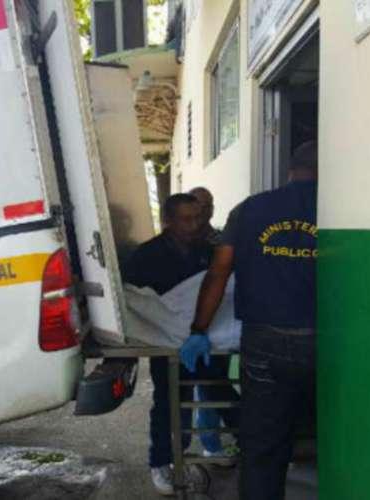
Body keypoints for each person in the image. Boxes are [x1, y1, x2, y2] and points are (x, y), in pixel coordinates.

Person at [181, 141, 318, 500]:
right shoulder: (341, 209)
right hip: (328, 341)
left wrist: (199, 330)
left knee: (263, 445)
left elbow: (219, 271)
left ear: (290, 170)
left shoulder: (249, 209)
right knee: (333, 432)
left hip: (264, 341)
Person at [123, 193, 239, 496]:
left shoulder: (210, 251)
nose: (194, 225)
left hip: (206, 339)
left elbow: (222, 291)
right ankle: (162, 461)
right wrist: (170, 324)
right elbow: (138, 302)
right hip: (167, 342)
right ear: (167, 221)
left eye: (198, 217)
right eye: (186, 219)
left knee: (219, 390)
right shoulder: (146, 255)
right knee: (169, 402)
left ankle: (243, 443)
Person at [188, 186, 239, 459]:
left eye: (209, 204)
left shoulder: (222, 240)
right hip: (186, 326)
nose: (204, 210)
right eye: (198, 204)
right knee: (190, 388)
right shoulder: (179, 240)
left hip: (220, 325)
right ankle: (181, 449)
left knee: (211, 386)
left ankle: (211, 444)